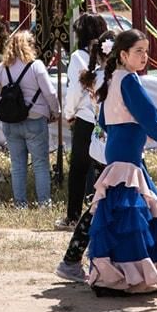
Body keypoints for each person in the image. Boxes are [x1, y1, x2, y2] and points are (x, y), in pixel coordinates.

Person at [87, 29, 157, 294]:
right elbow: (149, 117)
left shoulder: (113, 78)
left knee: (144, 209)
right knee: (132, 215)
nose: (145, 56)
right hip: (125, 155)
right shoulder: (128, 80)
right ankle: (128, 276)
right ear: (123, 54)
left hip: (121, 152)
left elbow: (105, 121)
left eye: (146, 51)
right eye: (139, 51)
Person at [54, 28, 115, 283]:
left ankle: (83, 257)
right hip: (110, 144)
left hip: (98, 138)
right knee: (101, 201)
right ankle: (82, 258)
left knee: (101, 198)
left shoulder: (95, 76)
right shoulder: (110, 80)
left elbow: (74, 96)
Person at [0, 30, 60, 207]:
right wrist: (56, 111)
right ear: (30, 46)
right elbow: (50, 92)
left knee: (17, 165)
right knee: (40, 163)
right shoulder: (36, 66)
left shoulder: (4, 67)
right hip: (35, 118)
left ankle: (20, 204)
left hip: (10, 121)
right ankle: (43, 203)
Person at [56, 13, 108, 229]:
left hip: (86, 118)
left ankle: (73, 216)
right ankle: (103, 213)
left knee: (78, 169)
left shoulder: (78, 56)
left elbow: (75, 90)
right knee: (105, 167)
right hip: (107, 117)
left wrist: (68, 113)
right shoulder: (109, 54)